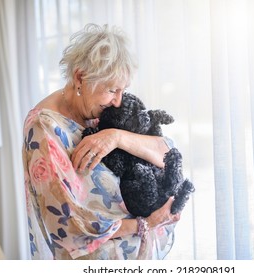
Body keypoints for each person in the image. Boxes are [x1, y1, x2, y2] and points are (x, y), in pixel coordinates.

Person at [22, 23, 181, 260]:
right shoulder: (44, 128)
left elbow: (166, 152)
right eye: (111, 90)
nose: (118, 101)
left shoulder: (103, 115)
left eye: (123, 90)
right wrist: (144, 223)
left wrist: (117, 137)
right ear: (80, 78)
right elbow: (66, 222)